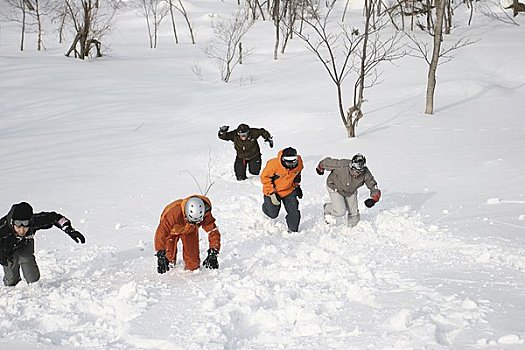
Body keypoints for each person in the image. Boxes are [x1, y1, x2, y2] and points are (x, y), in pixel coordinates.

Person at [0, 202, 85, 287]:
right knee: (11, 280)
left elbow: (55, 217)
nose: (22, 231)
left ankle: (34, 287)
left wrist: (68, 229)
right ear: (12, 223)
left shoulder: (35, 221)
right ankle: (12, 287)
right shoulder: (3, 228)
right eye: (18, 227)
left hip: (25, 243)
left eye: (26, 226)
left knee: (31, 274)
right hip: (6, 250)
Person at [154, 194, 221, 274]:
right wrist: (160, 253)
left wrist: (213, 252)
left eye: (197, 222)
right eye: (192, 221)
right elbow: (161, 232)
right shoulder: (174, 213)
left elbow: (213, 231)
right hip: (171, 231)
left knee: (193, 265)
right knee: (168, 261)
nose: (195, 223)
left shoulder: (205, 212)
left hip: (190, 231)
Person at [316, 153, 381, 227]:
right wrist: (320, 168)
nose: (356, 174)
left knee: (354, 213)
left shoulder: (365, 173)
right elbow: (326, 162)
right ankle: (327, 208)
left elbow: (373, 186)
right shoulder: (342, 165)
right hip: (335, 187)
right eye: (355, 171)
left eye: (359, 172)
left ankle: (352, 229)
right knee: (340, 211)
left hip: (350, 191)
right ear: (352, 166)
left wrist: (374, 199)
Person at [260, 147, 304, 232]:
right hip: (273, 191)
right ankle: (265, 208)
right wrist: (272, 192)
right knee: (272, 214)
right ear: (283, 159)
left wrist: (297, 186)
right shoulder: (273, 164)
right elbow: (264, 178)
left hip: (288, 191)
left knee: (294, 212)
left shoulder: (299, 163)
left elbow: (297, 174)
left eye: (293, 160)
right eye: (288, 160)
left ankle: (292, 230)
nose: (291, 163)